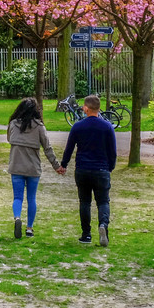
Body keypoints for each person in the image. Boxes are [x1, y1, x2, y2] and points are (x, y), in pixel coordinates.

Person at [59, 94, 117, 246]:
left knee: (85, 202)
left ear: (85, 108)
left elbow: (69, 148)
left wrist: (63, 164)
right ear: (98, 108)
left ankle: (86, 234)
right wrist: (110, 166)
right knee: (103, 201)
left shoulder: (78, 126)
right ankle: (103, 225)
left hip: (83, 169)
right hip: (101, 168)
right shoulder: (107, 127)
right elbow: (112, 151)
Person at [7, 97, 60, 239]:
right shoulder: (39, 127)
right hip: (33, 168)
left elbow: (8, 139)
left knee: (17, 197)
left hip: (16, 166)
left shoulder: (13, 124)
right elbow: (47, 148)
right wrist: (57, 166)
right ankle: (29, 228)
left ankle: (17, 217)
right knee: (32, 198)